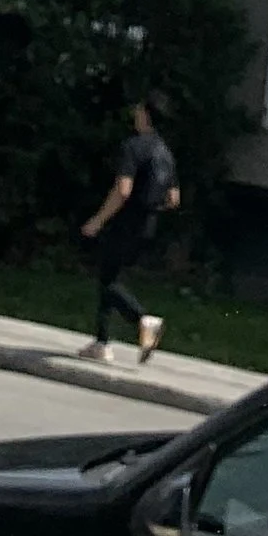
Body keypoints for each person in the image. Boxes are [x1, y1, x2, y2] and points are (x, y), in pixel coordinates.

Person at [80, 91, 178, 362]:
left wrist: (98, 220)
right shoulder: (166, 154)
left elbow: (123, 190)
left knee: (108, 281)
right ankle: (101, 342)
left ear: (146, 114)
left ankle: (143, 319)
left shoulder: (133, 147)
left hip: (125, 221)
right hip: (148, 225)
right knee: (109, 275)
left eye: (138, 109)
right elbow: (173, 198)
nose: (135, 113)